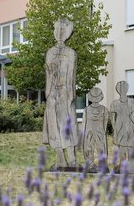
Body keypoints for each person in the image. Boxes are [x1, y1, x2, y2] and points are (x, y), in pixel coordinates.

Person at [42, 18, 78, 167]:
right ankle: (59, 157)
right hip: (52, 94)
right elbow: (48, 75)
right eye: (57, 30)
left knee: (67, 125)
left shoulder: (71, 53)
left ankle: (71, 159)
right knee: (53, 125)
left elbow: (71, 76)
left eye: (64, 30)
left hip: (65, 94)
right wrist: (49, 93)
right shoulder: (50, 52)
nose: (60, 33)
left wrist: (70, 96)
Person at [110, 80, 134, 164]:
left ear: (127, 89)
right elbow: (112, 118)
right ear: (117, 90)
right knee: (122, 148)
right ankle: (122, 165)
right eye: (120, 88)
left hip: (131, 127)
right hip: (120, 127)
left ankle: (132, 165)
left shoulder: (133, 102)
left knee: (131, 146)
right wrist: (115, 130)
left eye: (124, 88)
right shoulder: (114, 104)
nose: (123, 90)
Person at [82, 87, 109, 165]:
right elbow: (84, 122)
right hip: (89, 131)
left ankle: (102, 163)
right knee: (88, 146)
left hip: (98, 131)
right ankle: (89, 163)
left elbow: (105, 121)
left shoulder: (104, 109)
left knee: (101, 146)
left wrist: (103, 131)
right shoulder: (86, 110)